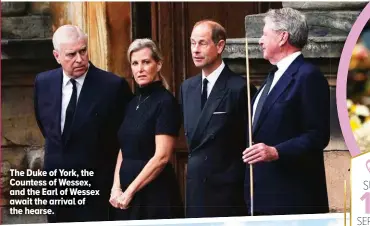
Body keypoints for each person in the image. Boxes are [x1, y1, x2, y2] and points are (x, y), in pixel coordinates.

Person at [34, 25, 133, 222]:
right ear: (57, 56)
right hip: (57, 190)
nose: (79, 59)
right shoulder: (43, 82)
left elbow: (126, 138)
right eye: (71, 54)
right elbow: (47, 128)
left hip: (97, 189)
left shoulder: (113, 86)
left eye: (83, 51)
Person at [242, 8, 330, 215]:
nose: (260, 41)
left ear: (283, 37)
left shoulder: (308, 76)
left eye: (264, 34)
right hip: (261, 197)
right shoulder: (272, 77)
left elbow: (317, 135)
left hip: (291, 198)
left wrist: (276, 151)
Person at [180, 20, 257, 218]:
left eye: (202, 43)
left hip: (227, 194)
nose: (195, 50)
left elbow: (248, 144)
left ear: (220, 46)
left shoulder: (239, 88)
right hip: (196, 190)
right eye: (192, 43)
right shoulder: (187, 88)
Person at [109, 38, 184, 220]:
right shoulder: (132, 102)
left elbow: (162, 157)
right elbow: (124, 149)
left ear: (158, 64)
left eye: (146, 62)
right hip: (125, 196)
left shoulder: (166, 103)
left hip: (154, 195)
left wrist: (129, 192)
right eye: (135, 63)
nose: (140, 69)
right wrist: (116, 188)